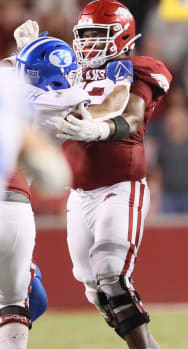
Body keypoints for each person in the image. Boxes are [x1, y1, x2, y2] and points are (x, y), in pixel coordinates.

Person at [49, 1, 172, 348]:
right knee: (94, 289)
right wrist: (29, 55)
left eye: (97, 34)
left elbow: (132, 117)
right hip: (79, 192)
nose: (88, 42)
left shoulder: (137, 69)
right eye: (83, 34)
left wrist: (99, 131)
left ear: (123, 37)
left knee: (110, 271)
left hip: (120, 185)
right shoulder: (67, 72)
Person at [0, 35, 74, 349]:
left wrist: (23, 55)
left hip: (13, 201)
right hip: (11, 204)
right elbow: (53, 175)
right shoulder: (55, 100)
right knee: (21, 299)